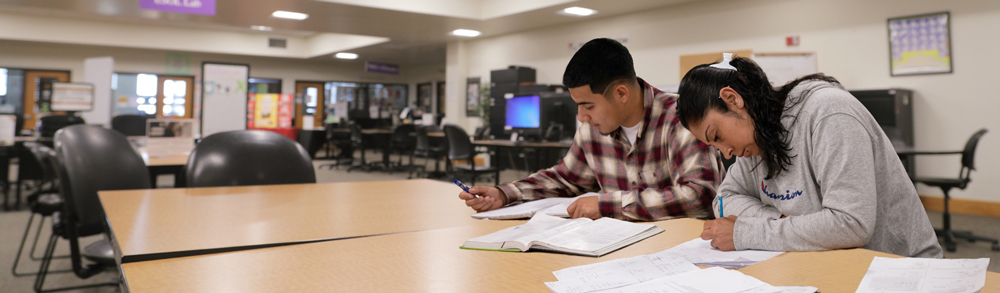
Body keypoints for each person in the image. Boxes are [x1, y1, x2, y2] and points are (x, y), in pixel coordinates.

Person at [677, 54, 941, 257]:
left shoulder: (829, 114)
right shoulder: (756, 141)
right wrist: (779, 221)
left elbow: (851, 225)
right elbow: (723, 201)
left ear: (733, 99)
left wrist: (748, 231)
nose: (727, 152)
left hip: (897, 266)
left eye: (717, 135)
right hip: (830, 261)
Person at [457, 38, 725, 221]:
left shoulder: (681, 118)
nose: (581, 117)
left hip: (677, 253)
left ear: (621, 93)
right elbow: (565, 178)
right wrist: (505, 193)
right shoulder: (593, 129)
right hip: (615, 250)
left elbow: (700, 195)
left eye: (588, 105)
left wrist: (606, 205)